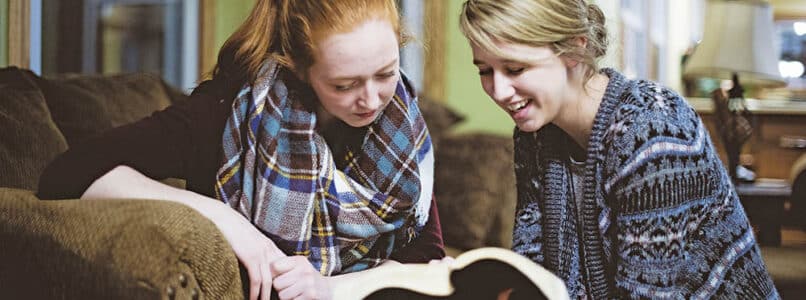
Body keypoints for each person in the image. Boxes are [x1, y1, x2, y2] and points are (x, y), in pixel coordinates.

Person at [37, 0, 445, 299]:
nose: (372, 100)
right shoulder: (226, 111)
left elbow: (428, 256)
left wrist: (329, 288)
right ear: (299, 68)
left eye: (385, 74)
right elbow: (69, 173)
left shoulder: (401, 126)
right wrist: (227, 221)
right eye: (344, 85)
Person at [458, 0, 778, 298]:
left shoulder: (655, 135)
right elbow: (533, 271)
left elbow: (649, 293)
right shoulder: (535, 136)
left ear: (574, 47)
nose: (498, 91)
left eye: (515, 69)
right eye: (484, 71)